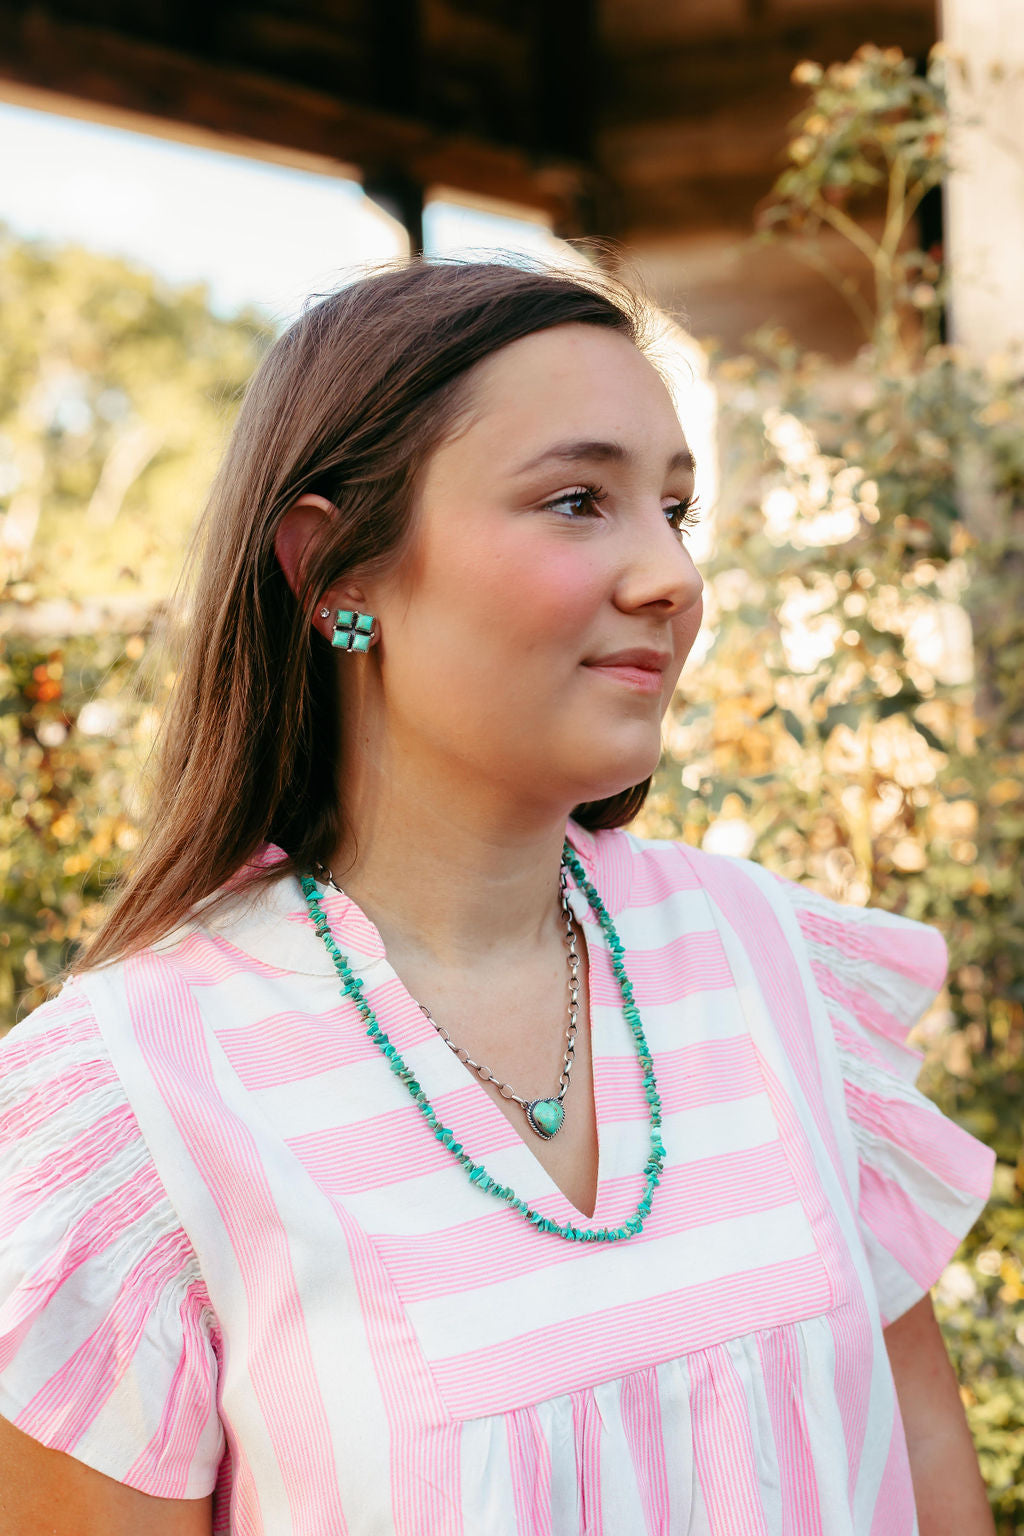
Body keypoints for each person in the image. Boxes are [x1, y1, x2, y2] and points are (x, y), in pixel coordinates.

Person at [0, 254, 997, 1536]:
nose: (671, 578)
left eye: (676, 511)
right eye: (578, 500)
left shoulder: (779, 970)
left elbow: (919, 1464)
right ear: (333, 574)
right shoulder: (132, 1111)